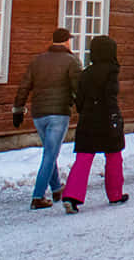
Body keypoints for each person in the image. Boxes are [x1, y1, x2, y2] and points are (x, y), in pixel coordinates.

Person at [13, 26, 82, 210]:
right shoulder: (72, 61)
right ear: (67, 41)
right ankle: (38, 196)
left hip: (39, 114)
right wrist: (83, 109)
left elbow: (24, 86)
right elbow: (78, 89)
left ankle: (57, 188)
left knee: (49, 152)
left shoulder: (38, 61)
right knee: (50, 154)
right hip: (58, 113)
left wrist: (18, 109)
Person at [60, 34, 128, 212]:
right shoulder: (111, 71)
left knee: (83, 157)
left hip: (88, 119)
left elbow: (79, 99)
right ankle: (115, 194)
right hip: (106, 118)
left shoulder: (86, 73)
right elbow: (110, 96)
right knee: (114, 156)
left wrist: (86, 111)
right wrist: (114, 118)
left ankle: (71, 196)